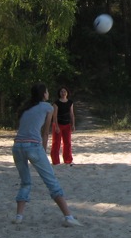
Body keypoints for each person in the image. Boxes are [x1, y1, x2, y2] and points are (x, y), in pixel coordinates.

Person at [12, 82, 82, 226]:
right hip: (33, 146)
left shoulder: (25, 109)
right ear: (44, 94)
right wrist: (43, 150)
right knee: (51, 182)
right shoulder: (47, 107)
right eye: (47, 91)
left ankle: (19, 216)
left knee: (25, 182)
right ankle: (68, 217)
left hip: (17, 146)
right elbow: (45, 131)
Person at [51, 87, 76, 166]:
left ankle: (68, 159)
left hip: (67, 124)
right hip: (58, 124)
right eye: (61, 91)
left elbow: (72, 114)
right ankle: (55, 161)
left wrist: (73, 124)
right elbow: (54, 116)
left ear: (67, 93)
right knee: (56, 143)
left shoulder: (70, 102)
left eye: (64, 91)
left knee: (67, 143)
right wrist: (56, 126)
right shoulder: (56, 103)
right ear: (59, 93)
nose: (63, 93)